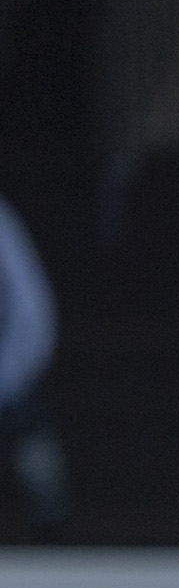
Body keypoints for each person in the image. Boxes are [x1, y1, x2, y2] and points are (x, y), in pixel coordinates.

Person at [0, 192, 68, 527]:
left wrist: (4, 381)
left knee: (35, 449)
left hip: (8, 388)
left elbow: (34, 318)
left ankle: (51, 533)